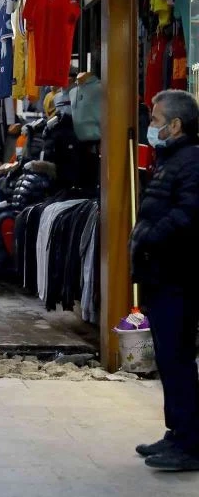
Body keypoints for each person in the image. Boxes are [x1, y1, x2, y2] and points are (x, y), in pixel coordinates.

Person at [131, 89, 199, 471]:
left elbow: (189, 214)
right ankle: (177, 433)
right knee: (170, 359)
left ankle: (190, 444)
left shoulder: (191, 161)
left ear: (175, 125)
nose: (151, 127)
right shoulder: (170, 160)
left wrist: (151, 237)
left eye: (155, 121)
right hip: (163, 274)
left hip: (179, 274)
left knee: (178, 359)